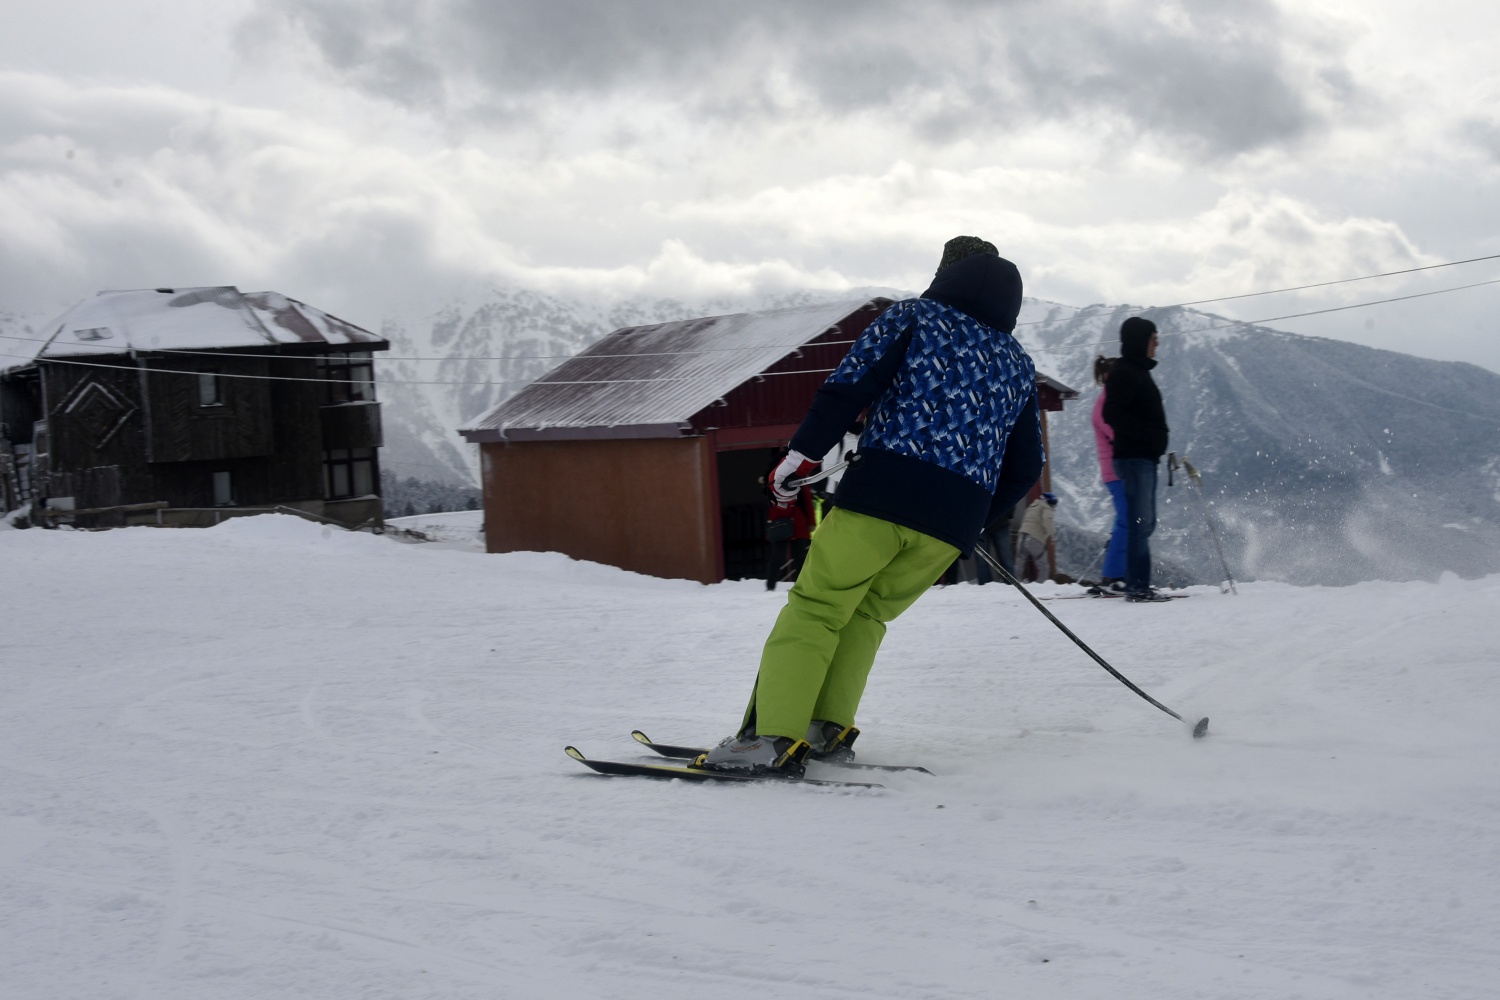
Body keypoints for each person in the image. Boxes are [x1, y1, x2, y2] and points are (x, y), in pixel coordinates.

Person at [696, 236, 1046, 775]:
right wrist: (974, 518)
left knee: (817, 609)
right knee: (867, 616)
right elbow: (1024, 468)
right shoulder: (1018, 365)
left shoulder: (913, 318)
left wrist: (798, 460)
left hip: (882, 496)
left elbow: (847, 389)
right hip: (951, 523)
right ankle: (825, 729)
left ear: (945, 273)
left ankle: (769, 738)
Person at [1102, 316, 1171, 603]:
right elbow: (1112, 413)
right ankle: (1138, 585)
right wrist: (1145, 437)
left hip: (1142, 458)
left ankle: (1137, 582)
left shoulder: (1137, 371)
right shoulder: (1126, 373)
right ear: (1140, 340)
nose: (1157, 343)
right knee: (1139, 522)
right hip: (1134, 458)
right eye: (1153, 338)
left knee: (1144, 523)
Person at [1090, 356, 1128, 593]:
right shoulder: (1105, 404)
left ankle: (1117, 573)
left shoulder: (1110, 401)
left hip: (1116, 470)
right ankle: (1113, 574)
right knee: (1126, 520)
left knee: (1124, 520)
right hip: (1116, 472)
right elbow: (1118, 434)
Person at [1016, 491, 1057, 582]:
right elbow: (1047, 521)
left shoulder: (1032, 506)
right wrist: (1053, 535)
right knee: (1043, 565)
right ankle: (1042, 585)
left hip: (1022, 536)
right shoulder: (1046, 508)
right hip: (1034, 538)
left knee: (1020, 563)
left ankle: (1016, 583)